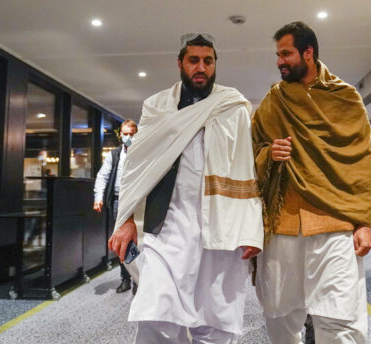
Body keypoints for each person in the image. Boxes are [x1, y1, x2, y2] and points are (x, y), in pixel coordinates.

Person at [109, 33, 264, 344]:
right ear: (180, 63)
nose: (201, 67)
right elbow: (136, 168)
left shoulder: (232, 106)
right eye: (194, 60)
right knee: (157, 315)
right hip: (167, 228)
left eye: (208, 61)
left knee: (216, 320)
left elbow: (247, 168)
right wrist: (125, 219)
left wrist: (251, 230)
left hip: (220, 229)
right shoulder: (157, 106)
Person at [252, 22, 371, 344]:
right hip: (284, 224)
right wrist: (268, 154)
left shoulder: (346, 98)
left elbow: (361, 161)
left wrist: (363, 222)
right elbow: (250, 151)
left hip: (333, 222)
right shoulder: (273, 101)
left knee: (339, 318)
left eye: (286, 54)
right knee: (279, 318)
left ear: (309, 53)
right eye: (278, 54)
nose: (279, 61)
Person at [93, 119, 138, 294]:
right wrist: (99, 197)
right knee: (122, 241)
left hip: (138, 201)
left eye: (131, 134)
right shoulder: (115, 155)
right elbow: (102, 177)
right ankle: (125, 278)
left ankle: (138, 278)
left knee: (138, 240)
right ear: (120, 135)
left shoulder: (143, 153)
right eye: (125, 134)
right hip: (118, 200)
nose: (128, 138)